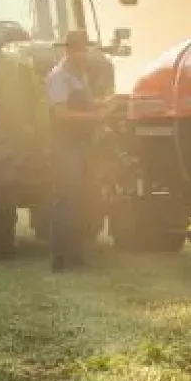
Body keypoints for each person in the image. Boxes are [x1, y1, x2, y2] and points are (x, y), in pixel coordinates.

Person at [44, 28, 118, 271]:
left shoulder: (79, 76)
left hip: (83, 145)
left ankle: (76, 254)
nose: (81, 54)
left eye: (84, 50)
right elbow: (61, 113)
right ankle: (59, 258)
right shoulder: (58, 77)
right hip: (65, 145)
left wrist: (105, 103)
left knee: (83, 199)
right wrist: (95, 117)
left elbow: (83, 102)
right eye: (76, 49)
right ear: (67, 50)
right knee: (66, 198)